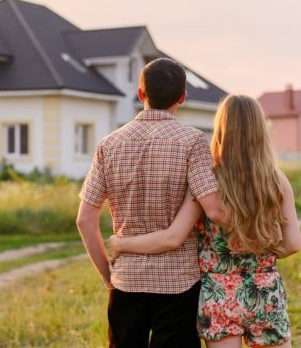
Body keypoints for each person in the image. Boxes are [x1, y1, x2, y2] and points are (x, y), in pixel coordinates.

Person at [108, 95, 301, 348]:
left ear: (221, 130)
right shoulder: (277, 180)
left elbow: (172, 237)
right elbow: (293, 244)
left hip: (220, 295)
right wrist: (261, 252)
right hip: (264, 291)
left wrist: (121, 244)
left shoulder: (206, 182)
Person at [77, 58, 225, 348]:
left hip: (126, 281)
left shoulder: (109, 144)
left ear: (140, 93)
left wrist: (109, 275)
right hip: (179, 283)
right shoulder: (193, 142)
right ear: (183, 97)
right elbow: (214, 209)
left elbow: (84, 220)